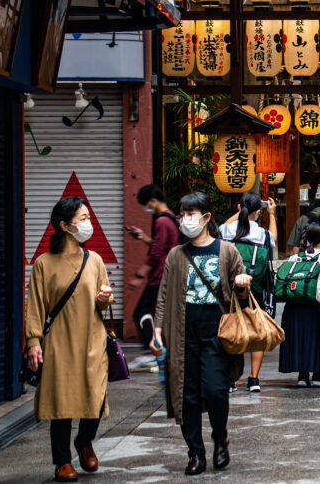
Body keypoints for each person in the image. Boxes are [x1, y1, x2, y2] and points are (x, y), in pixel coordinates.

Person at [152, 192, 252, 475]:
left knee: (216, 390)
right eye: (182, 215)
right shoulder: (176, 254)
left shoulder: (227, 250)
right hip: (182, 332)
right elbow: (163, 296)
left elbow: (242, 297)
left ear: (206, 218)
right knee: (188, 395)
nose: (185, 220)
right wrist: (157, 329)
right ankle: (195, 453)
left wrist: (242, 284)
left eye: (190, 214)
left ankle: (220, 439)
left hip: (217, 331)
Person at [25, 197, 114, 482]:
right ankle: (63, 460)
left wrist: (105, 298)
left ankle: (85, 442)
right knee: (61, 404)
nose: (88, 223)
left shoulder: (95, 259)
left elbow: (105, 298)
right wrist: (33, 342)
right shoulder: (43, 263)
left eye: (88, 217)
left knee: (95, 399)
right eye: (82, 218)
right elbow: (35, 306)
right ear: (64, 225)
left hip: (92, 340)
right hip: (60, 343)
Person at [218, 192, 277, 393]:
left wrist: (240, 212)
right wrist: (273, 215)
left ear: (238, 208)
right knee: (256, 330)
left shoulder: (225, 230)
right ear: (258, 212)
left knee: (232, 330)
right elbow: (274, 240)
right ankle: (254, 379)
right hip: (255, 287)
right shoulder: (262, 233)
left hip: (229, 288)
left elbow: (220, 229)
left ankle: (230, 380)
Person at [278, 223, 320, 387]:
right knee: (318, 339)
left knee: (300, 339)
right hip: (317, 305)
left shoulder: (294, 258)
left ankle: (302, 376)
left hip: (293, 306)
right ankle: (319, 374)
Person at [126, 184, 178, 369]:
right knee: (155, 315)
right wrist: (143, 237)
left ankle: (152, 351)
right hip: (164, 276)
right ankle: (156, 351)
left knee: (141, 312)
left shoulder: (162, 221)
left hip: (159, 277)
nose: (146, 209)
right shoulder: (170, 218)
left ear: (153, 201)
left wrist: (140, 275)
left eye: (146, 204)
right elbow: (160, 245)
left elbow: (156, 253)